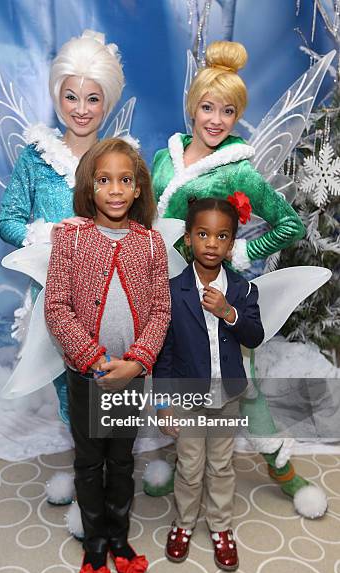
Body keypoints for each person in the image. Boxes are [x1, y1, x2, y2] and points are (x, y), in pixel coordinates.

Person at [150, 39, 323, 513]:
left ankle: (284, 470)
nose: (215, 119)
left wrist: (245, 249)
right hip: (166, 287)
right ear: (192, 107)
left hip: (215, 293)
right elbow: (149, 216)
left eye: (227, 111)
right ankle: (181, 458)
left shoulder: (239, 171)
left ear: (236, 116)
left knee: (238, 384)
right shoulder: (166, 157)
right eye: (207, 107)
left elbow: (288, 224)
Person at [0, 30, 124, 504]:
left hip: (110, 299)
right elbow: (8, 220)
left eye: (93, 98)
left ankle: (115, 474)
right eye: (71, 96)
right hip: (54, 302)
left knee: (108, 383)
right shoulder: (35, 158)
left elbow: (138, 220)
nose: (81, 108)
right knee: (68, 391)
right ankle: (86, 471)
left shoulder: (117, 159)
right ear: (57, 96)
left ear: (106, 102)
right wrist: (48, 236)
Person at [44, 137, 171, 573]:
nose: (115, 189)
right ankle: (94, 544)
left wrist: (136, 363)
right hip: (88, 376)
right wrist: (94, 360)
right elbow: (57, 307)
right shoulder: (71, 237)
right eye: (104, 180)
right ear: (90, 187)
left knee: (121, 459)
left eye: (125, 180)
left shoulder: (152, 244)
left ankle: (120, 537)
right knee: (89, 459)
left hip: (131, 377)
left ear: (138, 189)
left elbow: (161, 310)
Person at [153, 195, 264, 570]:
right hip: (186, 397)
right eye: (203, 234)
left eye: (221, 236)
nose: (211, 243)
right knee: (189, 466)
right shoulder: (171, 290)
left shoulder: (244, 290)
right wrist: (164, 403)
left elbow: (254, 336)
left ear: (232, 243)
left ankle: (220, 527)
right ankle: (184, 523)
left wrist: (227, 312)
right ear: (188, 238)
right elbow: (164, 353)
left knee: (220, 466)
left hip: (227, 395)